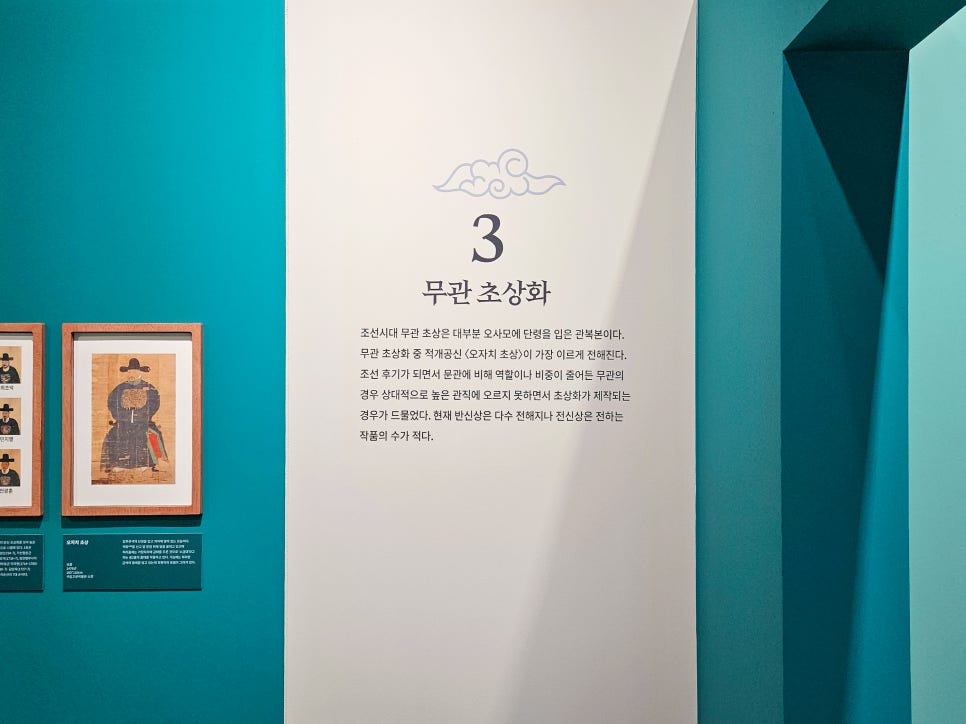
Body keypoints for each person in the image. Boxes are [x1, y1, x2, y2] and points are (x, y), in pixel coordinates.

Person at [100, 358, 168, 472]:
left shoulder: (149, 388)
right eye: (130, 371)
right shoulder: (119, 388)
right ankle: (114, 464)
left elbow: (154, 404)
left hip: (143, 421)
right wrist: (123, 416)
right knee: (113, 434)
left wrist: (140, 415)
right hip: (123, 421)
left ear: (140, 372)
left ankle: (154, 463)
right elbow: (112, 403)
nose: (132, 374)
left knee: (153, 433)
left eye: (134, 371)